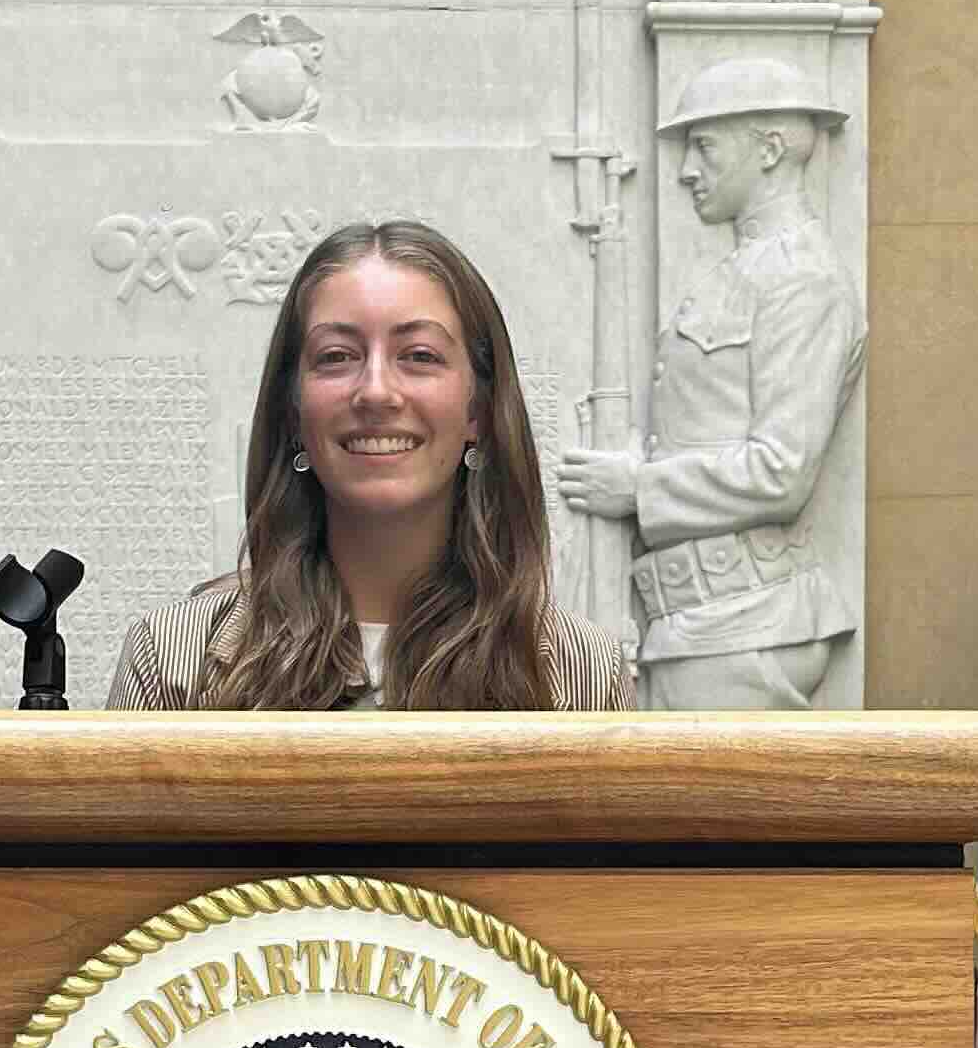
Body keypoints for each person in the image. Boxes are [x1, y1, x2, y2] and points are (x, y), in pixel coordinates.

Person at [106, 219, 633, 711]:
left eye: (419, 355)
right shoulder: (173, 660)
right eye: (336, 356)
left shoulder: (581, 674)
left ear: (477, 411)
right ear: (293, 413)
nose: (376, 391)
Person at [556, 51, 865, 711]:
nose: (687, 170)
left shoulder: (803, 280)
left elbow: (782, 470)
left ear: (771, 149)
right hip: (698, 622)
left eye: (705, 146)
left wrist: (637, 488)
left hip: (745, 625)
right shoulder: (742, 270)